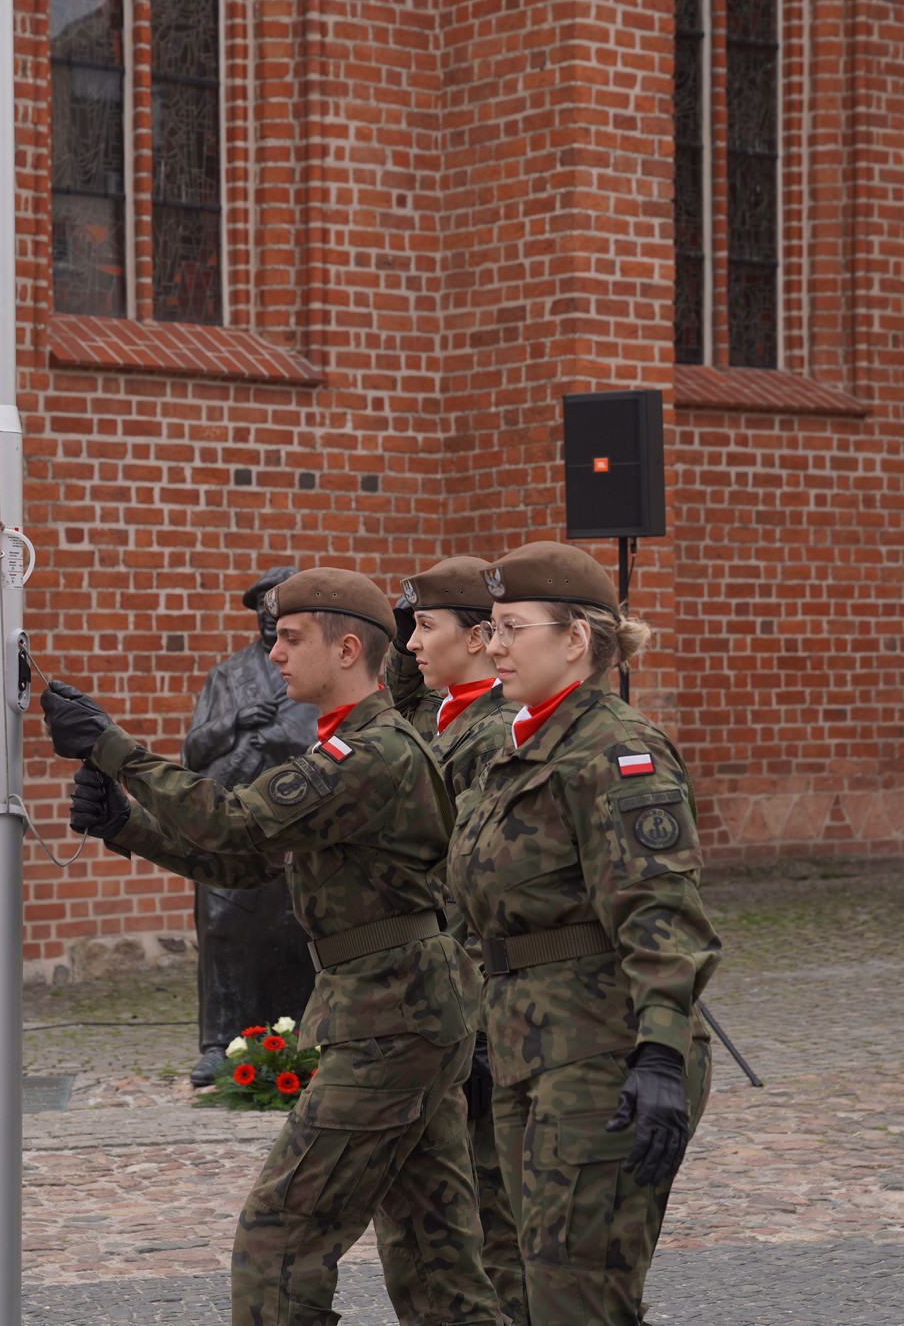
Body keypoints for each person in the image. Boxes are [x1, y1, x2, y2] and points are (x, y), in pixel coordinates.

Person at [42, 567, 500, 1326]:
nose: (274, 654)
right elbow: (251, 864)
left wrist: (113, 748)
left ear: (346, 649)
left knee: (280, 1236)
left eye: (290, 638)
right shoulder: (350, 744)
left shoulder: (371, 753)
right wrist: (126, 825)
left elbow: (237, 821)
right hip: (403, 1014)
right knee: (436, 1259)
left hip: (390, 1020)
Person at [446, 541, 720, 1326]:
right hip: (527, 1046)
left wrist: (660, 1053)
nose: (494, 645)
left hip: (604, 1052)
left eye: (512, 627)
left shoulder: (617, 749)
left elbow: (661, 912)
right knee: (538, 1288)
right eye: (491, 627)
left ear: (575, 638)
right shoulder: (517, 745)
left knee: (580, 1294)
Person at [384, 555, 527, 1324]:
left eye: (425, 627)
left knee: (496, 1216)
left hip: (480, 1003)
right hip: (439, 997)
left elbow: (478, 890)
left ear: (477, 638)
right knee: (456, 1210)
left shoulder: (494, 733)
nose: (410, 643)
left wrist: (473, 1025)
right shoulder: (444, 718)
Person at [182, 566, 320, 1087]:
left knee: (295, 927)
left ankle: (298, 1037)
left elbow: (328, 738)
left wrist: (277, 739)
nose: (269, 618)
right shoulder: (228, 675)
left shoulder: (315, 670)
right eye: (263, 609)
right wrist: (237, 722)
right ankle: (219, 1042)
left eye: (279, 610)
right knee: (221, 925)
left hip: (296, 819)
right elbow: (194, 751)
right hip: (234, 820)